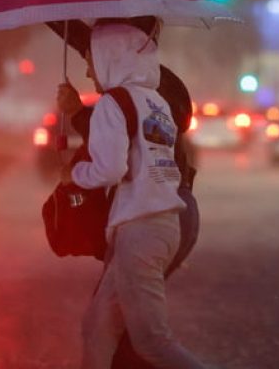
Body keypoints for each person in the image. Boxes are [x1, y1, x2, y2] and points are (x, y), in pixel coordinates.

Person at [58, 20, 210, 369]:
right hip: (164, 225)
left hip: (139, 230)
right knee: (97, 327)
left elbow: (110, 170)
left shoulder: (113, 102)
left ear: (111, 56)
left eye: (92, 58)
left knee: (152, 343)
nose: (87, 68)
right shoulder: (155, 102)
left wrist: (73, 175)